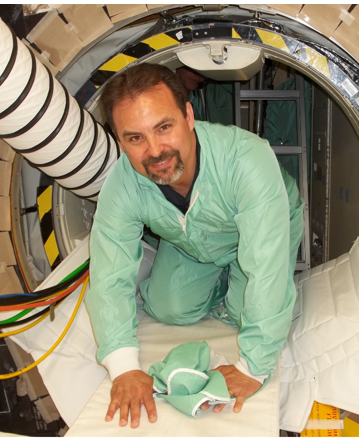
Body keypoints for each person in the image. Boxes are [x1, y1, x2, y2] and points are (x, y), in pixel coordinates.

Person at [87, 64, 304, 428]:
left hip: (256, 233)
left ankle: (232, 292)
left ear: (188, 115)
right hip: (192, 243)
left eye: (164, 127)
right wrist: (123, 368)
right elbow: (109, 272)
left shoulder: (246, 158)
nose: (155, 151)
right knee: (168, 308)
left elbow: (265, 265)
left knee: (244, 312)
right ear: (120, 141)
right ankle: (219, 282)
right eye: (135, 138)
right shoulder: (123, 184)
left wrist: (253, 366)